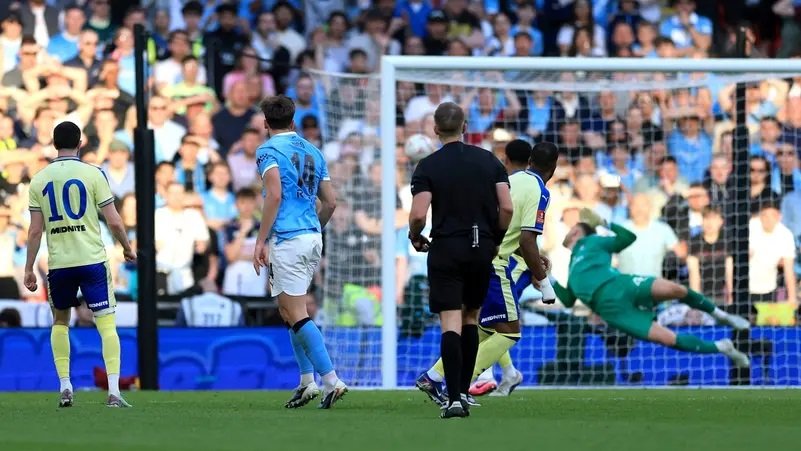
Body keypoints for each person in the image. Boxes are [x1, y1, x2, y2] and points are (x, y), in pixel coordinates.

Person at [418, 140, 559, 402]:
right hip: (494, 262)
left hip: (470, 252)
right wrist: (544, 282)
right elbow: (527, 239)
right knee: (509, 331)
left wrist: (533, 260)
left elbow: (513, 234)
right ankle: (459, 384)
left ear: (530, 162)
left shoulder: (509, 181)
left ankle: (435, 376)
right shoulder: (540, 191)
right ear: (553, 168)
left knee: (482, 325)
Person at [408, 102, 513, 419]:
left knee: (450, 323)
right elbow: (507, 208)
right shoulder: (489, 160)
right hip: (481, 246)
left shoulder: (428, 166)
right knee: (471, 319)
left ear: (435, 129)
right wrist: (495, 238)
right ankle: (464, 393)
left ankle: (453, 399)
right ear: (464, 127)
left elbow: (418, 214)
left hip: (447, 248)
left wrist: (415, 235)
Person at [23, 121, 136, 408]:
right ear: (80, 143)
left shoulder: (39, 179)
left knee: (60, 322)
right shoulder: (94, 173)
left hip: (60, 263)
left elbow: (35, 231)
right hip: (92, 260)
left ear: (54, 144)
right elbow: (114, 220)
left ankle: (65, 386)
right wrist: (126, 247)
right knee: (106, 325)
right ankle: (113, 391)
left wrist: (28, 267)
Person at [554, 208, 751, 368]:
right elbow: (568, 300)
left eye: (571, 228)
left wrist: (603, 223)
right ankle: (723, 347)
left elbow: (627, 238)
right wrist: (548, 278)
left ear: (577, 232)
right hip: (612, 311)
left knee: (676, 290)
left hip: (620, 286)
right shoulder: (572, 268)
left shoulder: (593, 241)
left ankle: (722, 315)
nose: (568, 231)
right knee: (668, 339)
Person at [252, 95, 344, 409]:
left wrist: (260, 240)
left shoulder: (267, 151)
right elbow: (330, 202)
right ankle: (307, 381)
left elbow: (274, 194)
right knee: (288, 310)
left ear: (266, 123)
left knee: (296, 312)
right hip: (311, 236)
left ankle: (331, 380)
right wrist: (313, 229)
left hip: (288, 239)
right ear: (293, 122)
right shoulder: (314, 150)